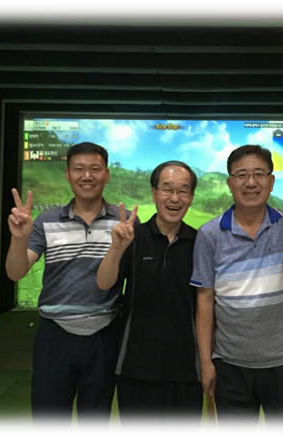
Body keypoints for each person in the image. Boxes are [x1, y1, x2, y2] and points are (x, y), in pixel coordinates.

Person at [190, 145, 283, 433]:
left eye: (259, 174)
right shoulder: (210, 234)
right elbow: (205, 302)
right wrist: (206, 362)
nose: (251, 182)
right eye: (242, 175)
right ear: (230, 182)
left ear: (271, 182)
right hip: (231, 363)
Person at [5, 142, 134, 433]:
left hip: (104, 335)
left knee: (95, 426)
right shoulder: (46, 221)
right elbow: (15, 272)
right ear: (67, 175)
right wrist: (19, 238)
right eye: (79, 169)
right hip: (54, 336)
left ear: (107, 175)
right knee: (49, 425)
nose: (87, 176)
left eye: (95, 169)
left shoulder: (124, 223)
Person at [97, 161, 203, 433]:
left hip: (186, 371)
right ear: (154, 193)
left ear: (191, 197)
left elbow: (206, 306)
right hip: (136, 368)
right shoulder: (134, 238)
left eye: (183, 190)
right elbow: (104, 283)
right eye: (167, 189)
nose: (174, 198)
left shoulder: (199, 243)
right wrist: (116, 249)